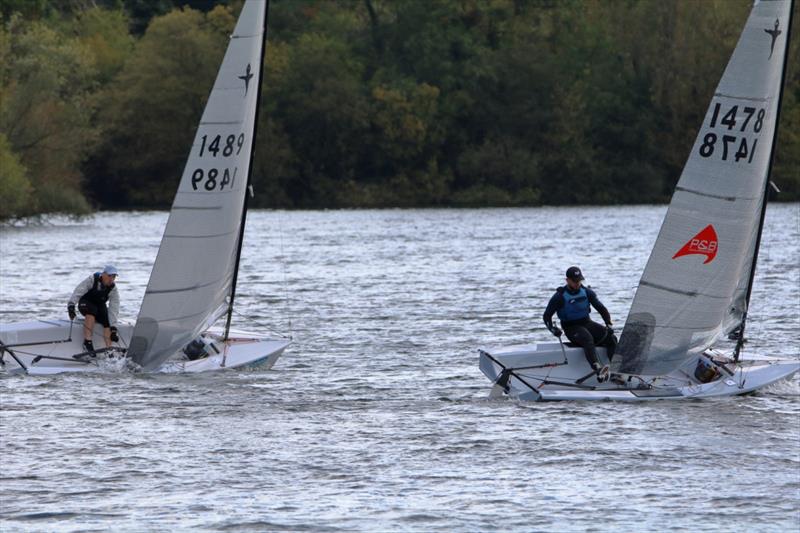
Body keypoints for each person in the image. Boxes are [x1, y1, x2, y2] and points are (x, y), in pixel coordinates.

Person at [543, 266, 617, 381]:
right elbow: (546, 316)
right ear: (567, 280)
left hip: (586, 322)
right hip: (571, 327)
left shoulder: (587, 292)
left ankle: (617, 370)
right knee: (587, 338)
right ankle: (597, 369)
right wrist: (553, 329)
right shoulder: (559, 296)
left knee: (611, 338)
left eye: (579, 280)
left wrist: (609, 324)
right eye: (574, 281)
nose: (577, 283)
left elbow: (601, 308)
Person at [67, 265, 120, 354]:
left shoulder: (113, 289)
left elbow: (114, 308)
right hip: (85, 302)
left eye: (114, 277)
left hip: (99, 304)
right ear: (103, 274)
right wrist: (71, 306)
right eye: (110, 276)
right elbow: (78, 291)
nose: (111, 279)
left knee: (107, 321)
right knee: (92, 312)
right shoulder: (92, 279)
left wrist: (114, 329)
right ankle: (87, 342)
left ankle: (109, 350)